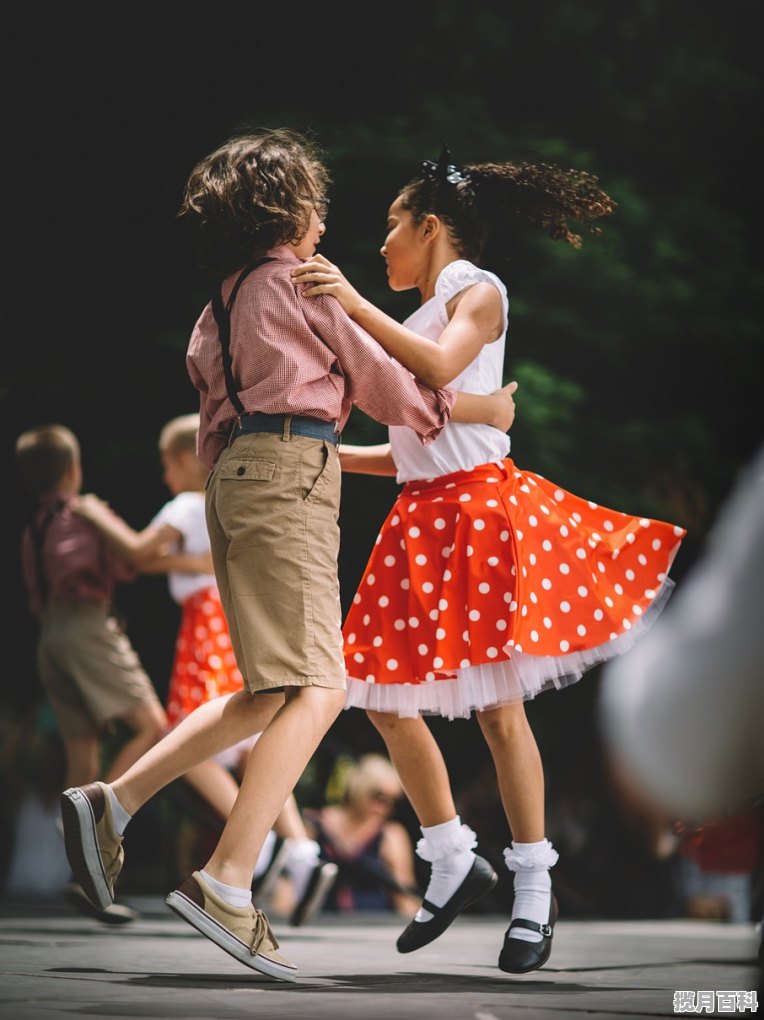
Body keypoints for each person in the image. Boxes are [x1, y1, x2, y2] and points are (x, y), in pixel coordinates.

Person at [59, 128, 518, 981]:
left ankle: (110, 801)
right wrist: (474, 411)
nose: (329, 227)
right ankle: (227, 883)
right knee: (322, 686)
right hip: (289, 472)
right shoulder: (306, 284)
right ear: (290, 211)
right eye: (319, 208)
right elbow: (390, 385)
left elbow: (205, 398)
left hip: (230, 478)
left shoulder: (220, 302)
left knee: (269, 688)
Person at [292, 145, 687, 974]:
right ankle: (447, 855)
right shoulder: (420, 310)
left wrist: (357, 305)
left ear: (430, 227)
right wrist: (317, 450)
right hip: (418, 518)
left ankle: (533, 892)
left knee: (500, 711)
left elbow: (434, 371)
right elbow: (409, 442)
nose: (381, 246)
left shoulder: (475, 291)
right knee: (378, 698)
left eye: (391, 228)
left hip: (476, 512)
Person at [73, 412, 339, 925]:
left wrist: (94, 514)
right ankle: (298, 850)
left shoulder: (187, 504)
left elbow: (137, 554)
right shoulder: (217, 500)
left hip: (206, 624)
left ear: (182, 458)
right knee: (257, 727)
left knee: (195, 730)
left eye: (166, 464)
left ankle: (253, 851)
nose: (164, 475)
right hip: (235, 607)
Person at [14, 423, 169, 921]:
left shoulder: (34, 525)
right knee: (151, 726)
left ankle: (86, 874)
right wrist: (102, 518)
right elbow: (133, 557)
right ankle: (99, 820)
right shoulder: (82, 514)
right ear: (73, 470)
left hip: (49, 637)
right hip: (86, 627)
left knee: (82, 750)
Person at [302, 753, 421, 919]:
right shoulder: (315, 823)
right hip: (318, 919)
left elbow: (403, 890)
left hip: (372, 923)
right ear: (360, 787)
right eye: (378, 797)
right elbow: (290, 879)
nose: (384, 806)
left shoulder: (391, 834)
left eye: (392, 800)